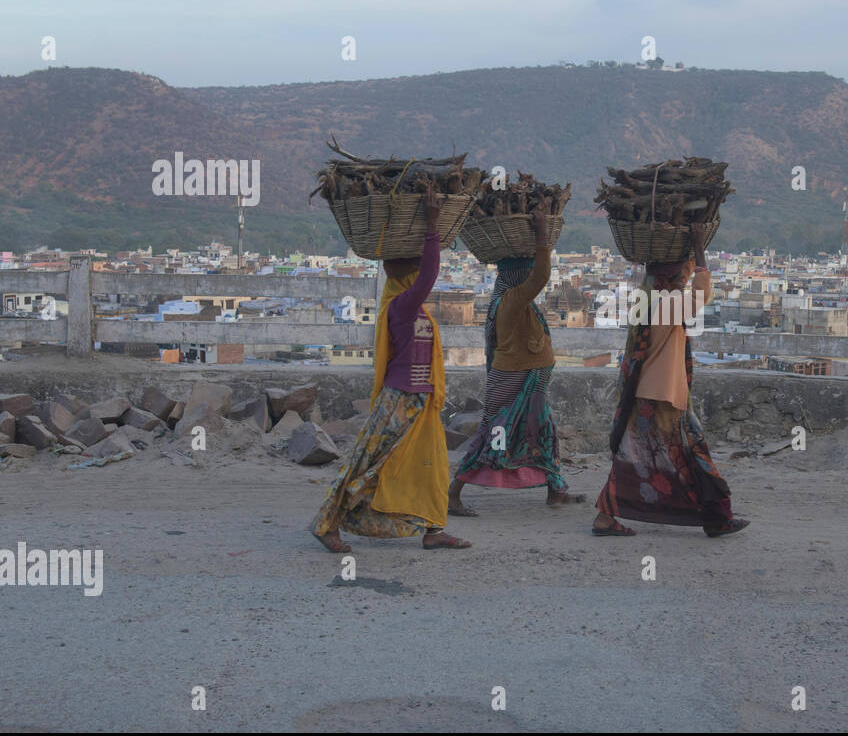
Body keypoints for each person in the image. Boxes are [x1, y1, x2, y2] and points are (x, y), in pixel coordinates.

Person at [310, 186, 470, 552]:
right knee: (369, 464)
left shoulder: (409, 309)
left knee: (430, 467)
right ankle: (327, 523)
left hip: (419, 399)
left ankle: (433, 530)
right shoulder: (401, 306)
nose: (419, 278)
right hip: (399, 399)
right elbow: (430, 274)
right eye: (414, 270)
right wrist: (431, 225)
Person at [592, 223, 748, 537]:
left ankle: (606, 516)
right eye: (681, 277)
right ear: (672, 280)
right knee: (691, 453)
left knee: (634, 454)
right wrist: (700, 246)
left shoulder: (647, 300)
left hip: (646, 392)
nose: (684, 280)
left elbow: (686, 279)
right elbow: (703, 293)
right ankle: (718, 516)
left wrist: (687, 249)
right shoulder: (667, 305)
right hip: (662, 395)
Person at [448, 203, 584, 514]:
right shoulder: (512, 298)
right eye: (524, 272)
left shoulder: (510, 300)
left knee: (542, 431)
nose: (528, 277)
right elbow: (541, 276)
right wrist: (541, 239)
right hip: (516, 377)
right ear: (516, 275)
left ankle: (555, 488)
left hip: (527, 376)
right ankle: (453, 492)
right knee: (495, 432)